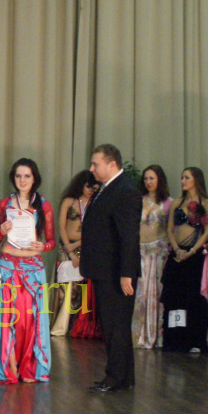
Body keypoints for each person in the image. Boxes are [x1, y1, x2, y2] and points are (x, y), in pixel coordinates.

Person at [82, 144, 141, 393]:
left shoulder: (125, 190)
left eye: (96, 164)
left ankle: (115, 377)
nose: (92, 168)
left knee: (115, 326)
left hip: (116, 272)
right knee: (115, 325)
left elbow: (129, 236)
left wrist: (127, 273)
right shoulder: (110, 188)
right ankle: (124, 376)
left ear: (112, 164)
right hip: (106, 270)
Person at [0, 158, 55, 383]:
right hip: (6, 267)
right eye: (18, 176)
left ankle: (28, 366)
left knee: (29, 319)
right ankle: (8, 367)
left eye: (27, 175)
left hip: (32, 270)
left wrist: (43, 246)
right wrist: (1, 231)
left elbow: (51, 241)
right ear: (13, 178)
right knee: (5, 317)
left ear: (34, 178)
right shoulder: (4, 204)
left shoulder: (43, 205)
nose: (22, 180)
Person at [160, 168, 208, 353]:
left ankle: (194, 340)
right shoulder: (177, 202)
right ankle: (175, 338)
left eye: (186, 177)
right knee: (174, 298)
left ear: (196, 180)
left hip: (194, 255)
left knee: (193, 299)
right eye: (182, 177)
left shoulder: (206, 203)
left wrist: (192, 251)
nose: (183, 180)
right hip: (177, 254)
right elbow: (170, 229)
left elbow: (207, 231)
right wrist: (176, 249)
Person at [51, 170, 99, 337]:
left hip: (85, 247)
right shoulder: (69, 200)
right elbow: (61, 227)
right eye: (87, 186)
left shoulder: (95, 203)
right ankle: (59, 325)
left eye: (93, 188)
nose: (90, 190)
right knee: (64, 287)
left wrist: (78, 244)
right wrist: (69, 249)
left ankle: (73, 326)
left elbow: (95, 231)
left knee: (80, 288)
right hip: (66, 247)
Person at [132, 165, 171, 349]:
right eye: (146, 178)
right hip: (140, 251)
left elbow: (171, 228)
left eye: (152, 178)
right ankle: (139, 335)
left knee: (157, 293)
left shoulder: (169, 202)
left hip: (159, 252)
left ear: (159, 180)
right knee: (140, 293)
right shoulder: (138, 200)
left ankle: (157, 335)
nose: (148, 182)